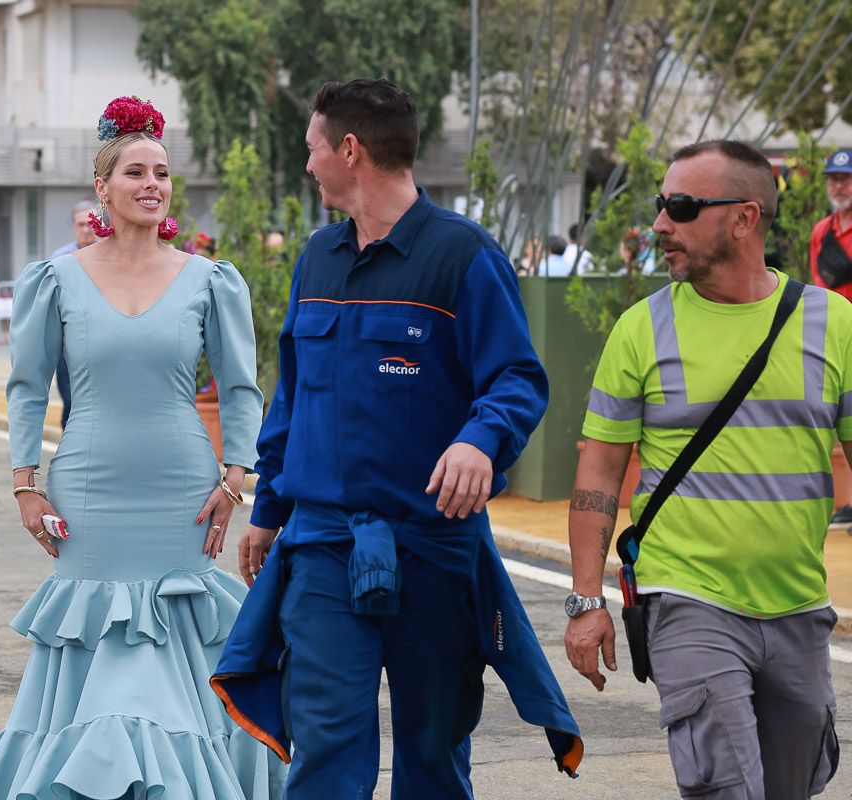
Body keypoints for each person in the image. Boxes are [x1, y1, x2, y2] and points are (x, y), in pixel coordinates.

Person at [213, 79, 582, 800]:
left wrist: (482, 439)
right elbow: (295, 393)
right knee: (324, 744)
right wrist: (268, 507)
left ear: (350, 150)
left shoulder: (463, 256)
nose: (309, 162)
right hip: (320, 546)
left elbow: (516, 377)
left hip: (433, 549)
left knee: (433, 750)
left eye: (314, 147)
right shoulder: (318, 257)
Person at [0, 95, 284, 800]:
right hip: (90, 500)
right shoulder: (58, 278)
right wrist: (24, 482)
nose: (151, 185)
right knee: (103, 659)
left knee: (170, 659)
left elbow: (240, 389)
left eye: (162, 173)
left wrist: (235, 478)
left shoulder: (209, 279)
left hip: (181, 499)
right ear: (102, 188)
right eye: (135, 172)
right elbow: (26, 386)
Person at [565, 140, 841, 799]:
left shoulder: (836, 325)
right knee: (725, 787)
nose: (660, 223)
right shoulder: (641, 330)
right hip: (688, 600)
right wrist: (584, 602)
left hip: (799, 607)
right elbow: (599, 474)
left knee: (791, 787)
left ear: (744, 218)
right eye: (662, 205)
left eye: (681, 207)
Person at [809, 148, 852, 526]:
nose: (839, 185)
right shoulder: (822, 232)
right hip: (836, 340)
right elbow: (818, 288)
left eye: (845, 178)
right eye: (833, 179)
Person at [48, 199, 99, 427]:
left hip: (102, 338)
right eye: (81, 225)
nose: (86, 229)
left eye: (91, 223)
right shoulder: (60, 259)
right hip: (68, 340)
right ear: (73, 226)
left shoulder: (110, 256)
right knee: (70, 400)